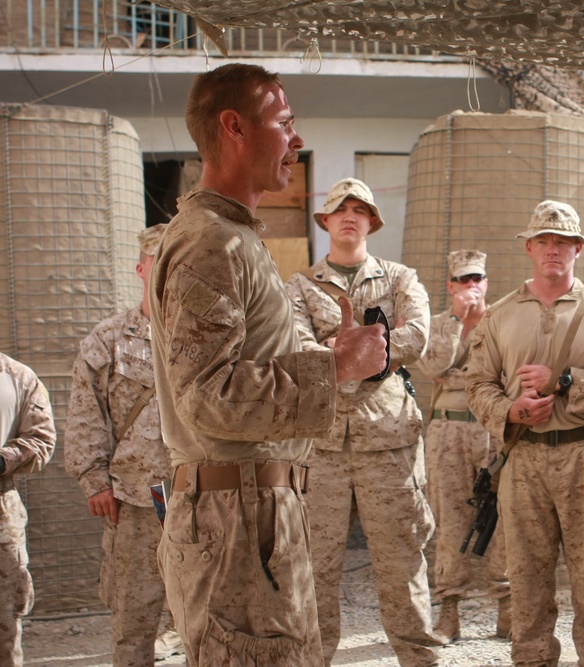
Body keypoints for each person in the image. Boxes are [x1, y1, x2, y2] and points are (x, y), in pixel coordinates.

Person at [149, 63, 388, 666]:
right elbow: (207, 394)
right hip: (237, 525)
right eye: (283, 123)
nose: (296, 141)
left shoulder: (236, 238)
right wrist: (333, 367)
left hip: (256, 515)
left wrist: (335, 363)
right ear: (233, 126)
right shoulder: (213, 243)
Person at [466, 200, 584, 667]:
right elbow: (476, 383)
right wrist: (511, 411)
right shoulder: (499, 315)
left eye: (562, 242)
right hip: (523, 462)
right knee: (527, 585)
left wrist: (566, 381)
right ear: (528, 247)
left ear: (578, 249)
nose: (552, 250)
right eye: (542, 240)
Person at [284, 177, 440, 667]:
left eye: (360, 209)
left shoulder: (398, 278)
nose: (349, 216)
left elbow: (417, 334)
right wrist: (336, 355)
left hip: (388, 442)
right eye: (339, 209)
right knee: (315, 569)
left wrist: (366, 353)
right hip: (322, 447)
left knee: (402, 563)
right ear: (326, 221)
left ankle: (419, 659)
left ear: (372, 221)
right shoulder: (299, 286)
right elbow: (292, 341)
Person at [65, 224, 181, 666]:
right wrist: (94, 479)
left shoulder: (209, 336)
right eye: (159, 263)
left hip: (202, 495)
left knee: (205, 614)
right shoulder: (109, 339)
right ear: (141, 269)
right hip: (137, 498)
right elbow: (85, 410)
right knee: (135, 619)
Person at [414, 249, 510, 643]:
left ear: (487, 282)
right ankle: (449, 613)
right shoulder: (438, 324)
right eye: (464, 280)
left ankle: (508, 610)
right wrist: (456, 321)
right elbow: (432, 367)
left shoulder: (502, 320)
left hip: (491, 428)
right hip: (447, 433)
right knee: (450, 519)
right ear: (451, 285)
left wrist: (458, 376)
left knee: (502, 517)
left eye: (478, 279)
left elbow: (506, 373)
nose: (472, 286)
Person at [0, 353, 55, 667]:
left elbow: (42, 439)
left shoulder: (18, 377)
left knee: (4, 627)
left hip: (1, 520)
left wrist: (3, 459)